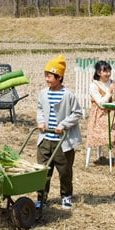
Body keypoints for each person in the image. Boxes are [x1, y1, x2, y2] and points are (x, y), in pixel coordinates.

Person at [36, 55, 83, 210]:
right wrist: (41, 121)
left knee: (65, 171)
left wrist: (63, 125)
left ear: (59, 77)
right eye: (46, 75)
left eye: (50, 76)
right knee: (43, 171)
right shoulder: (43, 93)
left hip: (63, 141)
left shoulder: (68, 95)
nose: (47, 79)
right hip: (45, 139)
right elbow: (40, 109)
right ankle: (41, 198)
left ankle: (66, 196)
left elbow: (77, 113)